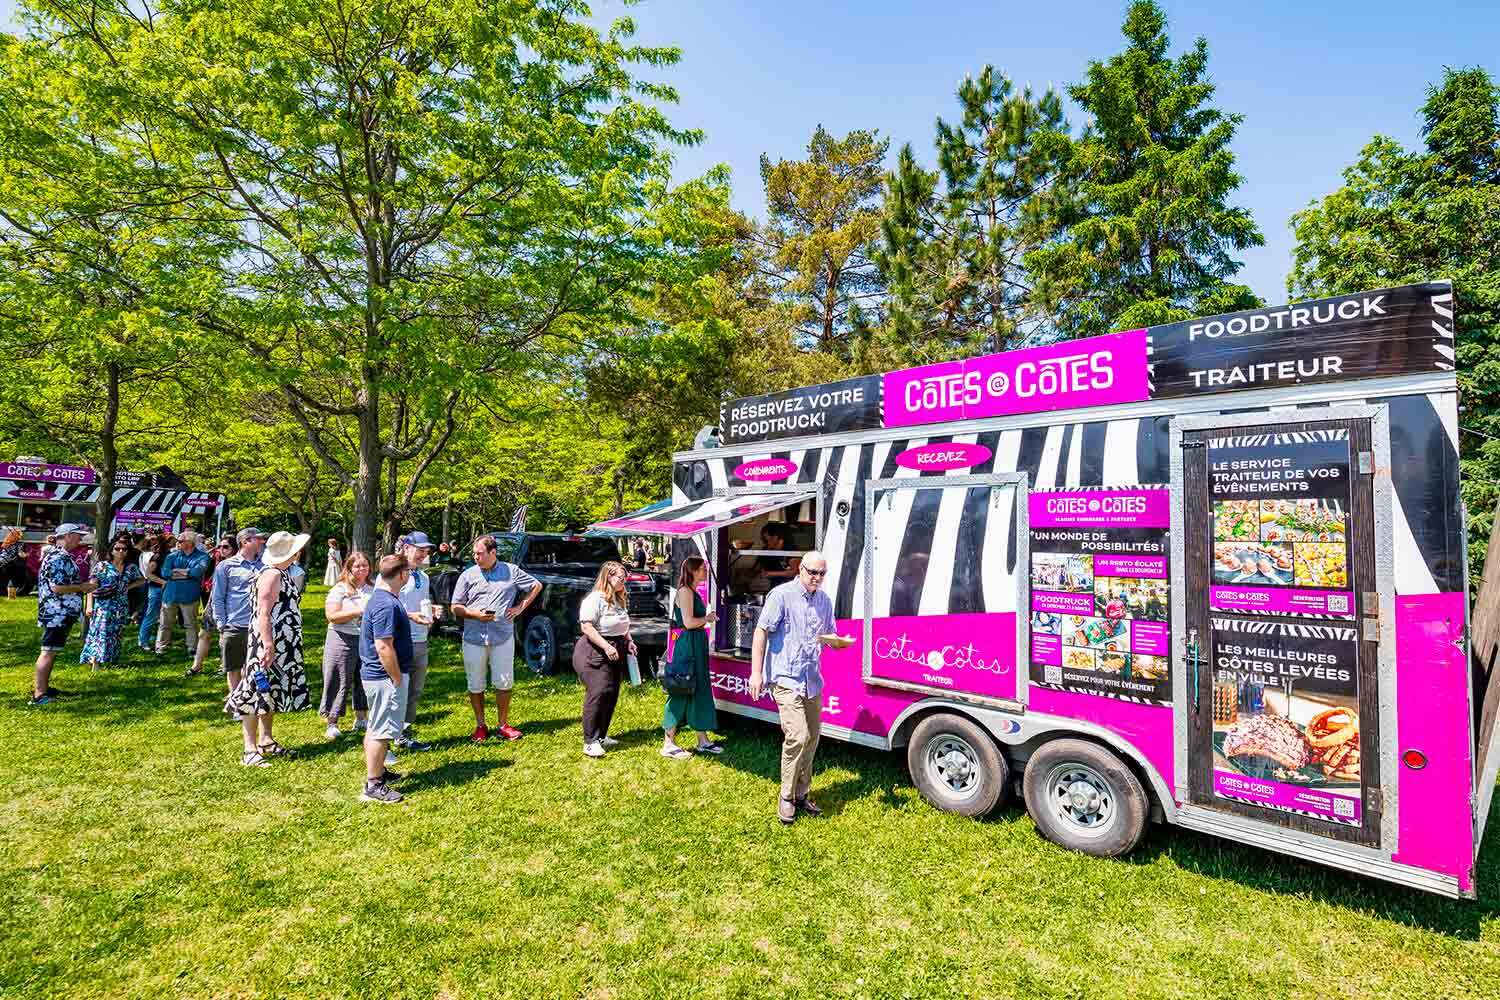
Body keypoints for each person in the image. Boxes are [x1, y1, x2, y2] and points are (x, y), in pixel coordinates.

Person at [749, 551, 855, 824]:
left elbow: (828, 635)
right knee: (797, 736)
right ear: (800, 569)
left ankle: (801, 793)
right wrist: (756, 673)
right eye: (812, 573)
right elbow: (761, 630)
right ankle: (785, 796)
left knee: (812, 738)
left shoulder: (824, 601)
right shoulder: (781, 595)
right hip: (785, 678)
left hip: (811, 680)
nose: (817, 578)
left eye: (822, 574)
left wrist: (839, 642)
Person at [224, 530, 312, 767]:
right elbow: (263, 613)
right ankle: (249, 749)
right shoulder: (272, 575)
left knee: (269, 692)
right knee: (254, 693)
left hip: (282, 644)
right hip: (268, 644)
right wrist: (269, 644)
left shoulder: (280, 573)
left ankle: (266, 740)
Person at [450, 534, 541, 742]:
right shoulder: (468, 575)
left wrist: (520, 607)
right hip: (474, 637)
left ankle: (503, 724)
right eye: (474, 553)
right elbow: (455, 606)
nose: (476, 557)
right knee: (475, 683)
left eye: (480, 553)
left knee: (504, 681)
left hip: (502, 636)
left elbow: (536, 585)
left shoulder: (511, 571)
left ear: (493, 552)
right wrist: (475, 614)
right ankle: (481, 725)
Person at [357, 554, 413, 803]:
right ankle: (374, 785)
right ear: (401, 574)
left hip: (380, 677)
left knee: (375, 725)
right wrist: (396, 677)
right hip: (383, 677)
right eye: (408, 571)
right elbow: (383, 646)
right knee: (381, 729)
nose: (409, 575)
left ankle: (378, 771)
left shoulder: (383, 599)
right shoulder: (385, 604)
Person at [572, 561, 636, 758]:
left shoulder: (618, 598)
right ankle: (590, 741)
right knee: (598, 692)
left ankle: (602, 735)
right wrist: (606, 646)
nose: (624, 581)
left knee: (611, 692)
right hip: (593, 651)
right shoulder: (595, 599)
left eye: (625, 578)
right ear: (608, 577)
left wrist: (629, 641)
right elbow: (587, 627)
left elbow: (623, 625)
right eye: (620, 578)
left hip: (616, 649)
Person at [30, 524, 98, 704]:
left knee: (52, 651)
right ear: (67, 536)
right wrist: (83, 587)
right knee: (48, 652)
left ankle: (44, 689)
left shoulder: (59, 556)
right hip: (56, 613)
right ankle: (39, 694)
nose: (80, 539)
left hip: (58, 612)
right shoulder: (58, 557)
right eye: (77, 536)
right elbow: (57, 587)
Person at [661, 556, 721, 760]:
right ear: (693, 571)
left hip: (696, 644)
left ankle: (702, 740)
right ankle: (668, 743)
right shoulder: (685, 591)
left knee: (700, 688)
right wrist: (708, 618)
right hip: (687, 645)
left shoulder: (693, 591)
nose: (705, 571)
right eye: (703, 568)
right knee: (682, 688)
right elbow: (687, 622)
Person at [395, 531, 442, 752]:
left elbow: (418, 601)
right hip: (398, 641)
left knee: (415, 689)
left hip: (421, 639)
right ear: (406, 548)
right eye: (419, 550)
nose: (424, 554)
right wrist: (410, 615)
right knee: (396, 691)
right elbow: (384, 606)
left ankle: (404, 734)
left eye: (426, 550)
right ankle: (387, 738)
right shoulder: (392, 573)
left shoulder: (423, 577)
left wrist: (432, 609)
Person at [320, 550, 373, 739]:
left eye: (365, 565)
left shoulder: (372, 588)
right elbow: (331, 616)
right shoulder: (340, 589)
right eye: (357, 566)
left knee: (364, 679)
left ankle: (361, 718)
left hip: (365, 639)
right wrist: (358, 611)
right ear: (349, 568)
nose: (361, 569)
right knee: (338, 679)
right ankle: (332, 722)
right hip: (341, 638)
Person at [211, 527, 266, 696]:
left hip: (259, 624)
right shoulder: (226, 566)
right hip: (235, 624)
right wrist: (222, 623)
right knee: (234, 666)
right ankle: (235, 700)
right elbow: (218, 597)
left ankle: (251, 698)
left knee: (256, 665)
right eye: (258, 539)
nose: (262, 542)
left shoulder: (265, 565)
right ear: (245, 542)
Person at [81, 533, 148, 669]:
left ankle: (110, 658)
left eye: (124, 549)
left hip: (120, 605)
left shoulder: (131, 567)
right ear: (111, 551)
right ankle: (95, 661)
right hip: (103, 605)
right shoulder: (102, 566)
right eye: (117, 549)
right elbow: (91, 586)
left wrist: (127, 587)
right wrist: (89, 606)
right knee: (100, 632)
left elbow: (142, 580)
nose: (120, 551)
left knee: (115, 633)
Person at [159, 530, 210, 661]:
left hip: (189, 596)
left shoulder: (203, 556)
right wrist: (186, 573)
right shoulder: (172, 556)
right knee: (165, 623)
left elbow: (197, 572)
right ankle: (161, 646)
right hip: (170, 595)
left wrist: (176, 572)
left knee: (190, 624)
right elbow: (165, 572)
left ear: (190, 542)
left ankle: (192, 647)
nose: (178, 543)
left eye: (180, 541)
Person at [136, 535, 167, 652]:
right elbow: (149, 573)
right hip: (155, 587)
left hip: (153, 586)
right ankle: (143, 640)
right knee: (151, 615)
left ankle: (155, 639)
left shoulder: (144, 555)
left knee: (157, 615)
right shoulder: (154, 556)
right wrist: (163, 582)